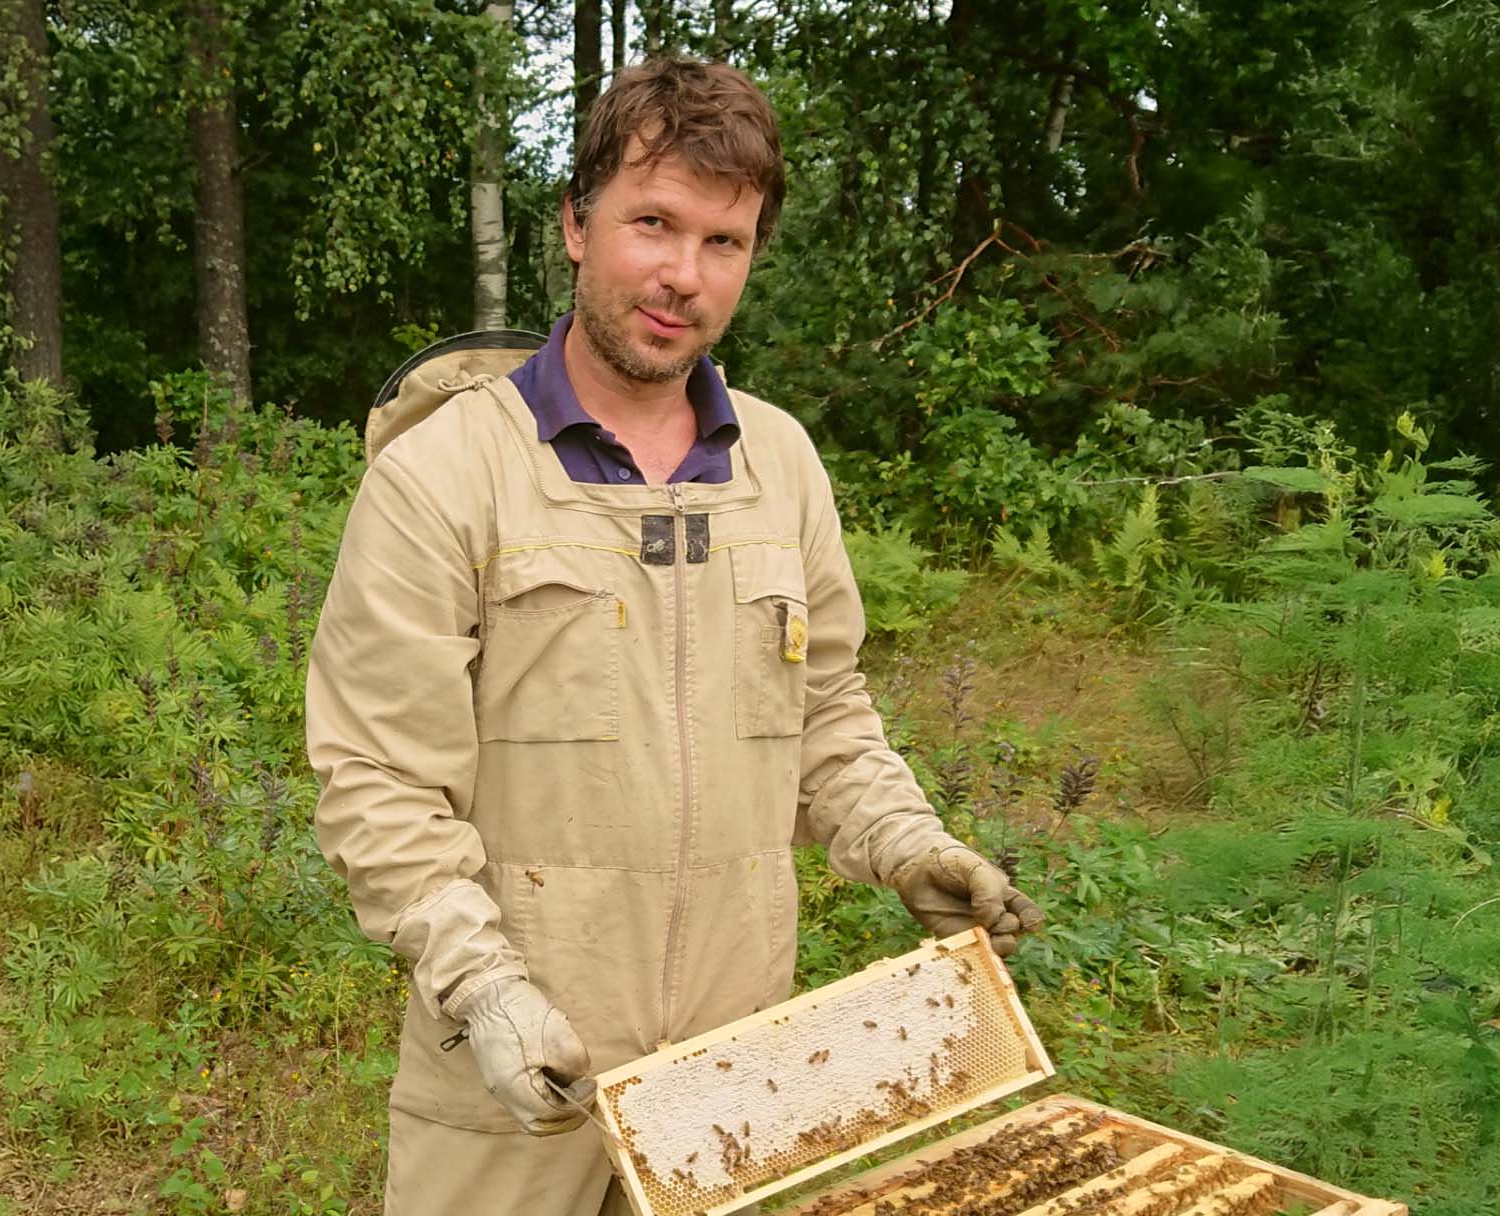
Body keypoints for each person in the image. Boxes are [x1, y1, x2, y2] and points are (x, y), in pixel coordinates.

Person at [305, 57, 1043, 1216]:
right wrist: (486, 988)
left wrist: (908, 841)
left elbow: (825, 713)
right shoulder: (444, 475)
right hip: (512, 1076)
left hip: (731, 1072)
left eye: (723, 242)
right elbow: (377, 781)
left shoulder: (781, 467)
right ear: (575, 222)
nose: (681, 277)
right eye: (652, 223)